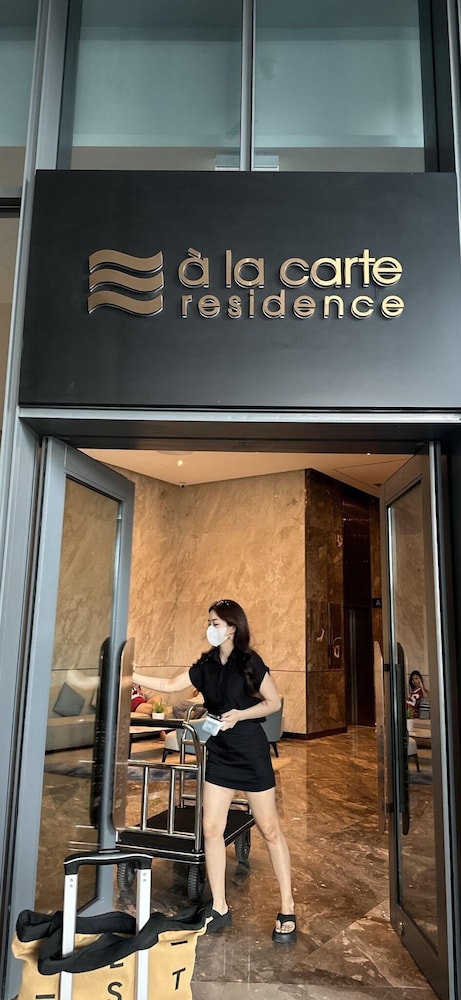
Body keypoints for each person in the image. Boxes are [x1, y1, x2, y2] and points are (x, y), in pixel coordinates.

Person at [133, 598, 296, 943]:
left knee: (269, 828)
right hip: (220, 753)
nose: (210, 628)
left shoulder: (250, 662)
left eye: (216, 623)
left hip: (250, 752)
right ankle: (219, 906)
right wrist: (131, 675)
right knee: (211, 828)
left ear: (232, 627)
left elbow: (272, 702)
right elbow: (171, 684)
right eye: (209, 622)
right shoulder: (206, 664)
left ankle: (287, 906)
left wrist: (241, 714)